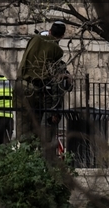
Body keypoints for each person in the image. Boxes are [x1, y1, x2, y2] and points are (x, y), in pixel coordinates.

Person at [16, 22, 72, 152]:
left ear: (50, 30)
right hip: (35, 90)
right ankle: (31, 156)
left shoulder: (34, 39)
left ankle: (23, 155)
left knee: (23, 128)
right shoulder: (56, 50)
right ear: (62, 36)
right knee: (36, 129)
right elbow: (54, 78)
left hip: (20, 86)